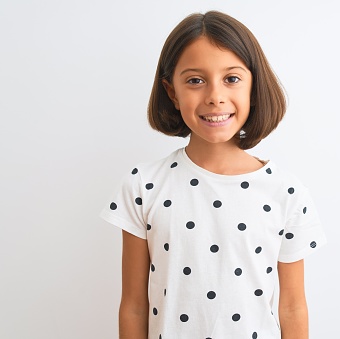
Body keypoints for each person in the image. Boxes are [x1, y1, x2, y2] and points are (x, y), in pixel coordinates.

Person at [100, 10, 326, 339]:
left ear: (253, 86)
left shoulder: (286, 192)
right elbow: (134, 305)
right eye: (195, 80)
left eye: (231, 79)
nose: (215, 96)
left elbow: (292, 306)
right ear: (172, 91)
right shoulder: (143, 186)